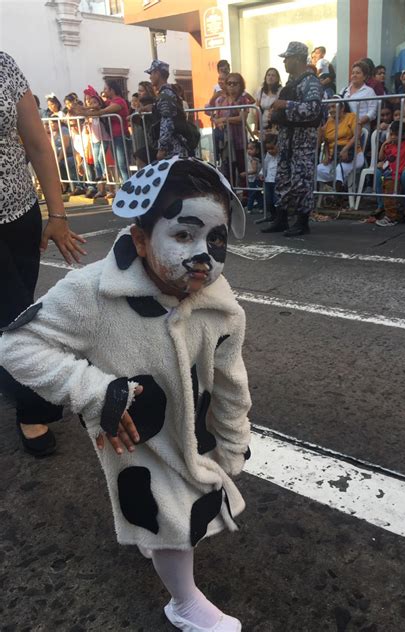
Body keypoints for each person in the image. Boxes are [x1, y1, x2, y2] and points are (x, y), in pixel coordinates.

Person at [0, 157, 250, 632]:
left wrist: (234, 439)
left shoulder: (220, 303)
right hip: (131, 430)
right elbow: (16, 342)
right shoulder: (95, 291)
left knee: (174, 507)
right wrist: (94, 392)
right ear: (140, 239)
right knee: (168, 514)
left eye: (215, 239)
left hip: (192, 428)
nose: (203, 254)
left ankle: (154, 538)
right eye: (183, 235)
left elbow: (231, 377)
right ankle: (184, 601)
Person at [0, 52, 86, 457]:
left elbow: (36, 141)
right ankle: (34, 408)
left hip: (19, 216)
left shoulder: (4, 65)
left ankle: (18, 381)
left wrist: (57, 214)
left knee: (16, 312)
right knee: (15, 318)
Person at [262, 41, 323, 237]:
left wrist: (285, 105)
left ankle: (302, 222)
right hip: (287, 140)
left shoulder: (311, 82)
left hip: (303, 141)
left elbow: (314, 111)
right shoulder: (291, 82)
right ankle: (281, 219)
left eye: (287, 58)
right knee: (283, 179)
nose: (285, 62)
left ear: (297, 58)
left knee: (301, 181)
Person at [73, 79, 130, 189]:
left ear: (112, 90)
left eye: (105, 89)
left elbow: (103, 111)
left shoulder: (119, 102)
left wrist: (84, 112)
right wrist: (84, 108)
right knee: (118, 164)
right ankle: (125, 186)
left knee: (122, 165)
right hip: (114, 136)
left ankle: (128, 187)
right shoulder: (110, 101)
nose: (103, 91)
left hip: (120, 135)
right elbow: (98, 106)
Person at [316, 97, 364, 206]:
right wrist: (327, 155)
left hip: (353, 154)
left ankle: (338, 197)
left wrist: (346, 149)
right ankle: (337, 187)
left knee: (339, 170)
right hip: (335, 157)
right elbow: (327, 141)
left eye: (333, 106)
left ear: (342, 108)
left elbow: (357, 135)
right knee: (318, 169)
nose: (331, 110)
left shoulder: (351, 117)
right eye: (329, 107)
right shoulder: (329, 122)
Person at [374, 120, 405, 226]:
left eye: (396, 134)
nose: (393, 137)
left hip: (395, 175)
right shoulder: (389, 145)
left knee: (389, 196)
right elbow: (381, 157)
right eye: (392, 134)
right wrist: (384, 144)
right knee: (386, 195)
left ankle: (391, 218)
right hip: (385, 174)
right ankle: (387, 213)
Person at [145, 59, 190, 162]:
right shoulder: (169, 92)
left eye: (151, 73)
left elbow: (167, 122)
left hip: (173, 148)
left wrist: (162, 149)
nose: (150, 77)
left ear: (157, 73)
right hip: (175, 146)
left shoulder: (165, 95)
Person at [214, 73, 253, 186]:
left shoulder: (243, 99)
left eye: (235, 83)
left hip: (239, 140)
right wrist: (219, 122)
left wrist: (224, 119)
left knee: (242, 169)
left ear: (240, 85)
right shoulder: (220, 100)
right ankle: (230, 196)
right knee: (227, 171)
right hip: (225, 141)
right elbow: (216, 118)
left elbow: (242, 118)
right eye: (229, 83)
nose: (231, 86)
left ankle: (246, 197)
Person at [340, 61, 377, 130]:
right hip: (344, 128)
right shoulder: (343, 91)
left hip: (362, 128)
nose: (354, 75)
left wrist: (359, 122)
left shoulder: (369, 91)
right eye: (353, 73)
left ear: (365, 76)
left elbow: (373, 111)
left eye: (358, 73)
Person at [255, 67, 282, 131]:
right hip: (262, 125)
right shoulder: (260, 91)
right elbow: (257, 110)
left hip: (275, 125)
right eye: (268, 75)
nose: (270, 77)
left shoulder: (280, 91)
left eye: (273, 75)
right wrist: (256, 127)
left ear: (277, 78)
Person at [260, 133, 278, 222]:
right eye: (268, 149)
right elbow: (265, 165)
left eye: (272, 148)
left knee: (276, 200)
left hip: (277, 181)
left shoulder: (280, 156)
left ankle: (278, 216)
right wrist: (262, 173)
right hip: (268, 180)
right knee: (269, 199)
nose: (270, 151)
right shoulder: (268, 155)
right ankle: (272, 215)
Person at [241, 140, 263, 213]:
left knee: (252, 193)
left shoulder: (254, 160)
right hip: (254, 179)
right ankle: (261, 207)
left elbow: (254, 170)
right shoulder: (252, 159)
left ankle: (250, 208)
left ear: (257, 151)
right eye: (248, 149)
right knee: (257, 193)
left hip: (254, 179)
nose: (249, 151)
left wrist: (245, 173)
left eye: (251, 149)